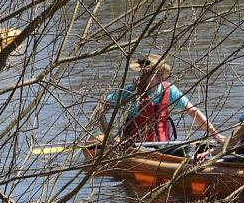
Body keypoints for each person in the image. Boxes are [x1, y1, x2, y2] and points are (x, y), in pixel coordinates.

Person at [94, 54, 226, 146]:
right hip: (134, 147)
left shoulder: (170, 90)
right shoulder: (130, 92)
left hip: (163, 146)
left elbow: (193, 112)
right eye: (143, 72)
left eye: (149, 73)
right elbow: (99, 108)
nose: (144, 76)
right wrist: (109, 138)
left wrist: (216, 134)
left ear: (160, 75)